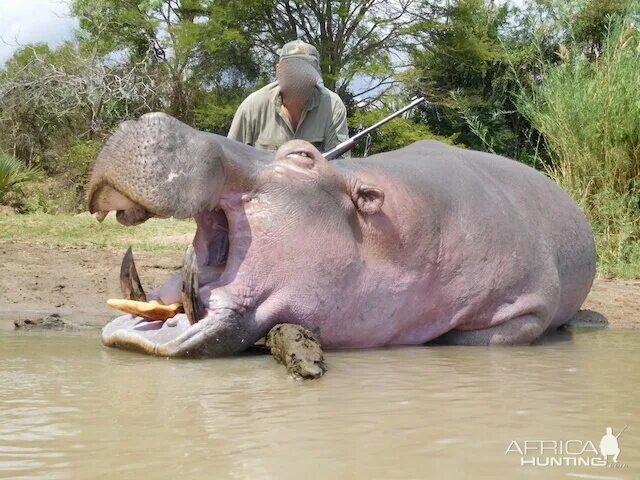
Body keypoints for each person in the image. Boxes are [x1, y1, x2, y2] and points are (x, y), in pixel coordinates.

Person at [227, 40, 350, 157]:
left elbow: (340, 167)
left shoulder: (333, 107)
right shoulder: (252, 106)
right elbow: (230, 159)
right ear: (278, 71)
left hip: (315, 178)